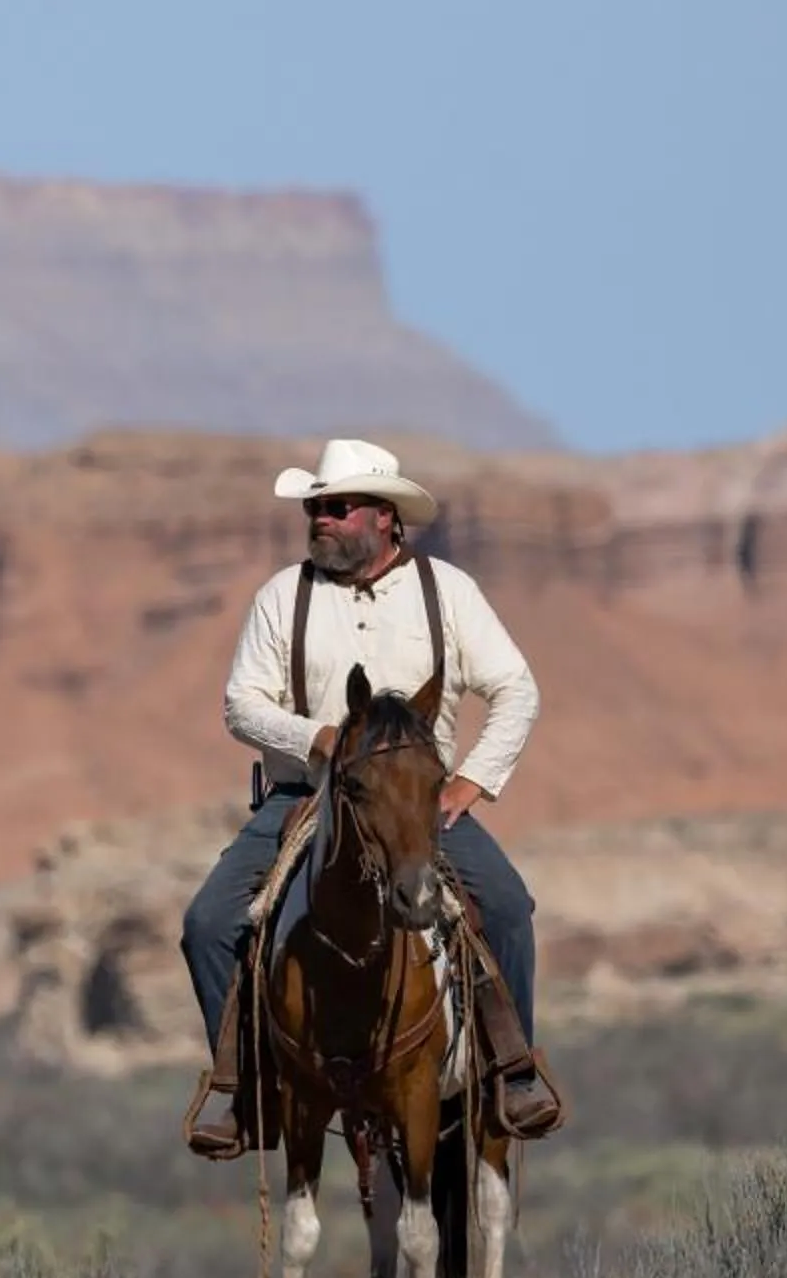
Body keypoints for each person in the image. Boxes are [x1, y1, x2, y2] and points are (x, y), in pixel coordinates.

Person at [180, 439, 559, 1156]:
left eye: (336, 507)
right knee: (206, 923)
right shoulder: (280, 597)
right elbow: (241, 705)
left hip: (419, 808)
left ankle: (512, 1070)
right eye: (314, 508)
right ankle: (244, 1086)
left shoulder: (447, 591)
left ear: (385, 518)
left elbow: (516, 689)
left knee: (507, 907)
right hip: (304, 799)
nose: (319, 518)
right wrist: (316, 738)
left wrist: (473, 779)